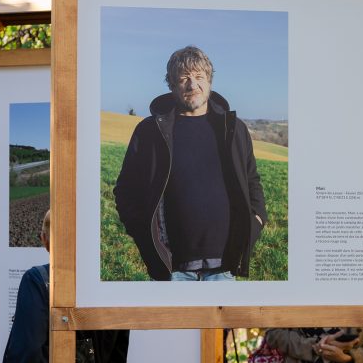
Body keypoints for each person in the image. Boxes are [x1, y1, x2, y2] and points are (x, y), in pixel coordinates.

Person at [114, 45, 268, 282]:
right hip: (173, 268)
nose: (192, 84)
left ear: (210, 82)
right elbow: (125, 190)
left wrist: (256, 221)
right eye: (183, 78)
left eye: (199, 77)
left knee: (219, 322)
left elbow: (252, 181)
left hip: (224, 267)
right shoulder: (150, 131)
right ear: (172, 85)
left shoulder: (233, 129)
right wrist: (144, 234)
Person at [0, 211, 130, 363]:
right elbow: (115, 361)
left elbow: (26, 349)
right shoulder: (108, 286)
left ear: (45, 240)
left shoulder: (37, 281)